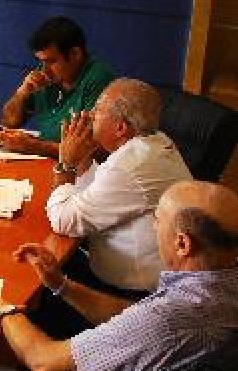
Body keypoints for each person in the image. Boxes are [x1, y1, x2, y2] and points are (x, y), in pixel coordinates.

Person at [0, 181, 238, 371]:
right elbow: (134, 315)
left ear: (182, 244)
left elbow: (43, 360)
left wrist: (4, 311)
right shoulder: (222, 282)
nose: (153, 226)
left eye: (157, 219)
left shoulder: (170, 319)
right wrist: (62, 285)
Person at [34, 78, 192, 336]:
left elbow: (64, 221)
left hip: (129, 298)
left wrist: (65, 165)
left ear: (120, 127)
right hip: (129, 276)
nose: (89, 114)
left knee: (35, 290)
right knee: (46, 261)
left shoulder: (131, 164)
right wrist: (83, 159)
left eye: (98, 108)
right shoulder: (152, 144)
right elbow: (101, 192)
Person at [0, 16, 116, 158]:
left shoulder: (99, 79)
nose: (44, 69)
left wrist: (35, 146)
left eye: (51, 61)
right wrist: (22, 92)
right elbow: (9, 122)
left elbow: (93, 151)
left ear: (75, 54)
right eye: (41, 61)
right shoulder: (45, 77)